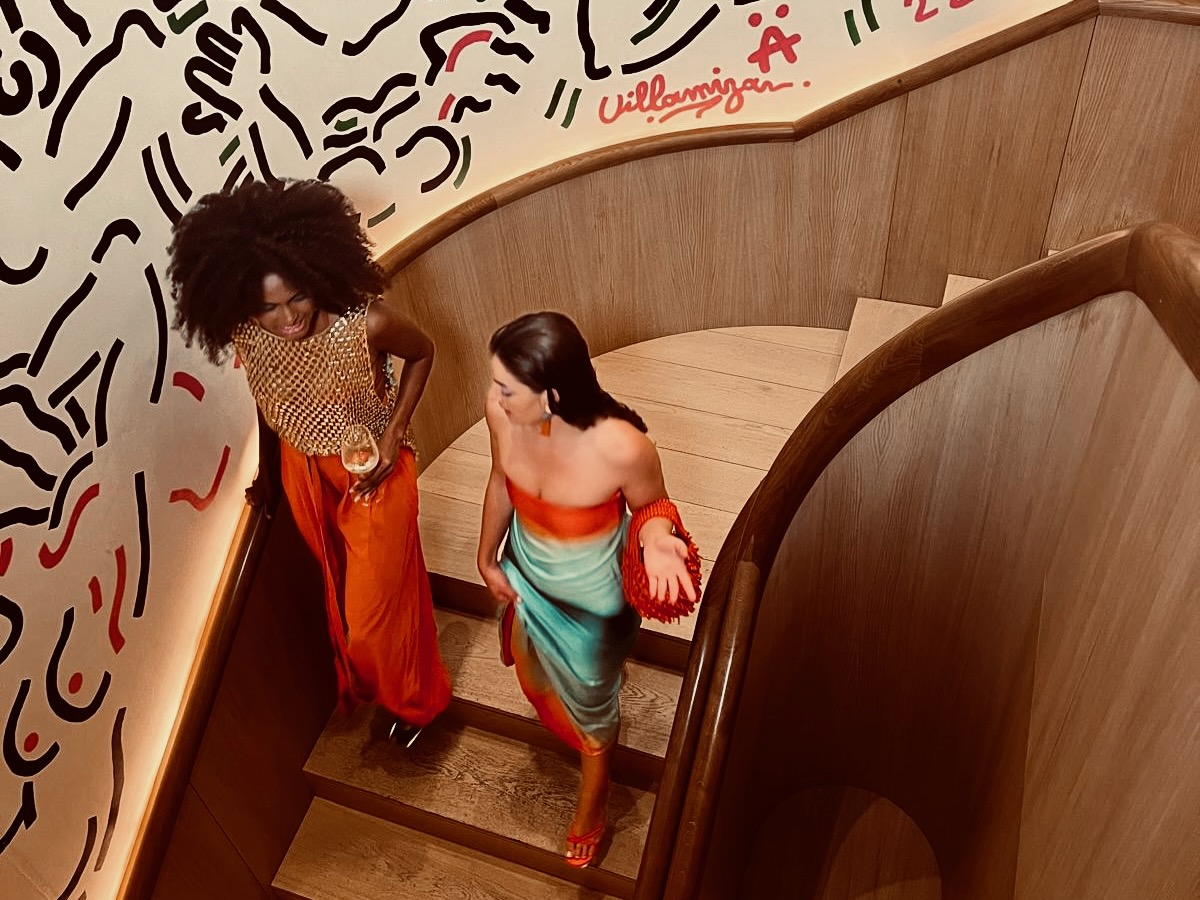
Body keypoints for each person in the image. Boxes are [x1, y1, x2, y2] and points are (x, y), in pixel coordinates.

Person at [168, 177, 451, 745]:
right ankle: (406, 686)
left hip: (373, 473)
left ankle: (421, 704)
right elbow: (269, 400)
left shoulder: (367, 323)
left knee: (368, 622)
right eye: (268, 307)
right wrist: (268, 473)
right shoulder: (250, 335)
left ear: (317, 274)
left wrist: (394, 434)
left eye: (297, 297)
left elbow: (424, 353)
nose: (288, 317)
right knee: (348, 592)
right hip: (303, 470)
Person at [477, 311, 698, 868]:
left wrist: (658, 540)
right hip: (528, 572)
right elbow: (500, 479)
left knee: (593, 706)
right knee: (536, 677)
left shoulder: (622, 447)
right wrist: (487, 556)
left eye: (507, 388)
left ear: (552, 394)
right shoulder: (500, 413)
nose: (495, 397)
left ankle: (595, 796)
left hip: (593, 606)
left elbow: (652, 506)